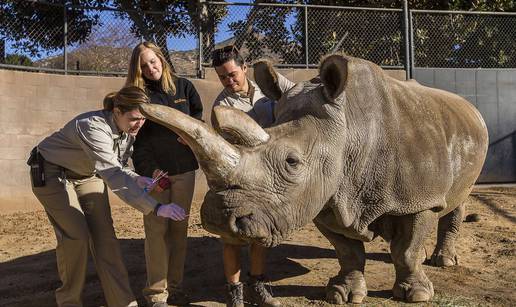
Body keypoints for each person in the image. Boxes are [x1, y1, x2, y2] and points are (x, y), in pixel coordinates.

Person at [28, 86, 187, 307]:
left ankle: (123, 303)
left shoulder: (127, 131)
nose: (139, 124)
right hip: (52, 172)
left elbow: (118, 166)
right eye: (134, 118)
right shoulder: (92, 126)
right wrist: (157, 208)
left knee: (106, 239)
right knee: (77, 235)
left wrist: (135, 178)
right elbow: (112, 174)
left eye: (142, 119)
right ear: (117, 111)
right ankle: (69, 302)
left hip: (87, 175)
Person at [211, 45, 294, 307]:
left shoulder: (267, 92)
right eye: (222, 77)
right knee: (232, 237)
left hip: (267, 175)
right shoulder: (222, 105)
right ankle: (234, 294)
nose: (229, 81)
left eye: (232, 74)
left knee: (259, 233)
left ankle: (257, 286)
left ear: (244, 68)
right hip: (239, 176)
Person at [126, 41, 203, 307]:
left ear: (161, 59)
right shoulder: (138, 95)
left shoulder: (185, 88)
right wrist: (150, 171)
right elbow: (138, 142)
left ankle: (177, 287)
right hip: (156, 174)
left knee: (179, 230)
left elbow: (198, 121)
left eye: (153, 61)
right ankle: (156, 294)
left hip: (185, 171)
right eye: (143, 64)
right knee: (156, 231)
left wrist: (191, 136)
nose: (150, 68)